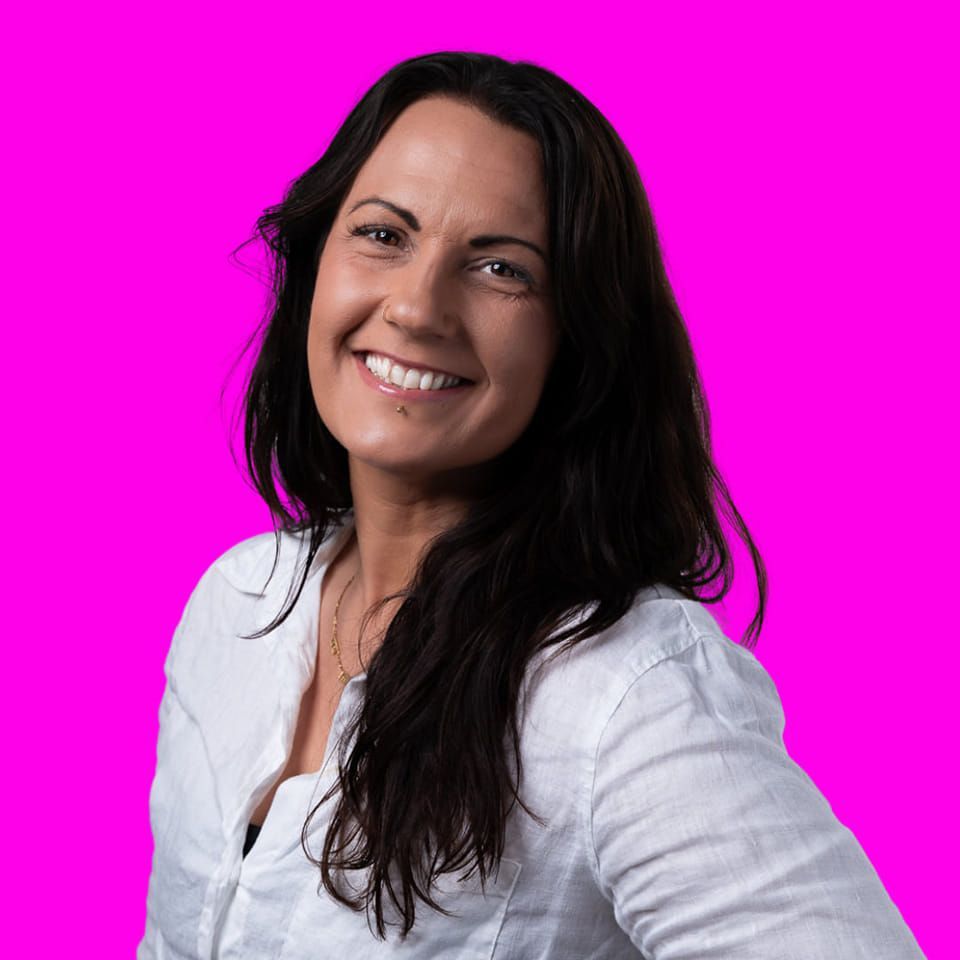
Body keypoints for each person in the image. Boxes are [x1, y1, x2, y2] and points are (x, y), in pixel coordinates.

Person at [137, 51, 925, 959]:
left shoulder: (621, 690)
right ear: (317, 263)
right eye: (384, 235)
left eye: (502, 268)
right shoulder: (235, 604)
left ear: (575, 344)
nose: (418, 307)